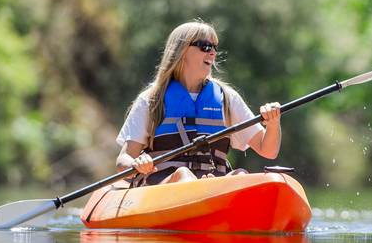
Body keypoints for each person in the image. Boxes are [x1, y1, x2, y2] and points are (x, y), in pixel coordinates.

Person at [115, 21, 282, 186]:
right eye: (205, 46)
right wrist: (137, 164)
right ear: (181, 51)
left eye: (215, 47)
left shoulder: (227, 99)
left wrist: (273, 123)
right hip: (164, 186)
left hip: (213, 184)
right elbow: (123, 160)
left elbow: (267, 150)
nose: (213, 53)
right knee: (184, 175)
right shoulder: (151, 100)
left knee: (241, 175)